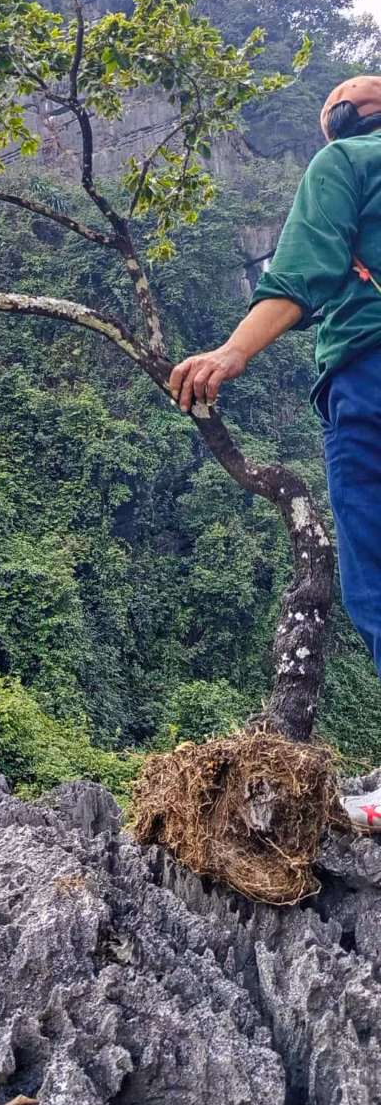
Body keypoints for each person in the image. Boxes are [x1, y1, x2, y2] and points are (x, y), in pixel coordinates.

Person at [170, 75, 381, 830]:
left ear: (339, 122)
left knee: (375, 574)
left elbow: (302, 276)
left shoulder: (346, 164)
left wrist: (229, 354)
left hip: (371, 377)